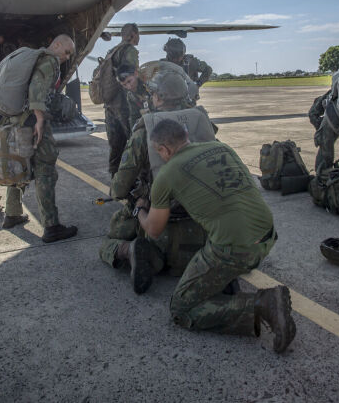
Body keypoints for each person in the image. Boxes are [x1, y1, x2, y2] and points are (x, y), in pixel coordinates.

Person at [133, 119, 295, 353]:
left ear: (163, 150)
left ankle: (262, 304)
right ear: (186, 134)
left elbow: (154, 230)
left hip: (237, 249)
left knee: (181, 310)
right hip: (267, 235)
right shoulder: (222, 148)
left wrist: (140, 209)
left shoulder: (167, 174)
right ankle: (227, 279)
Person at [99, 72, 215, 293]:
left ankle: (129, 250)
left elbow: (119, 188)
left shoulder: (148, 130)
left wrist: (138, 198)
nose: (151, 98)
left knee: (111, 238)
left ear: (159, 98)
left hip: (160, 227)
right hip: (205, 227)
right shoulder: (202, 122)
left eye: (152, 94)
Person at [1, 34, 79, 243]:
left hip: (18, 120)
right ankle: (51, 226)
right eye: (66, 51)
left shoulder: (37, 60)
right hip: (33, 122)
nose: (66, 57)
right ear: (56, 44)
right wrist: (40, 120)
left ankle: (12, 214)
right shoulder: (49, 60)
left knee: (19, 165)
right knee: (45, 169)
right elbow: (37, 89)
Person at [105, 23, 140, 176]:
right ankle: (133, 179)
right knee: (134, 142)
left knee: (115, 145)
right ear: (133, 34)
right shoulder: (130, 50)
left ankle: (115, 179)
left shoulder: (111, 51)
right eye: (138, 34)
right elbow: (131, 77)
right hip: (124, 104)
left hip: (109, 103)